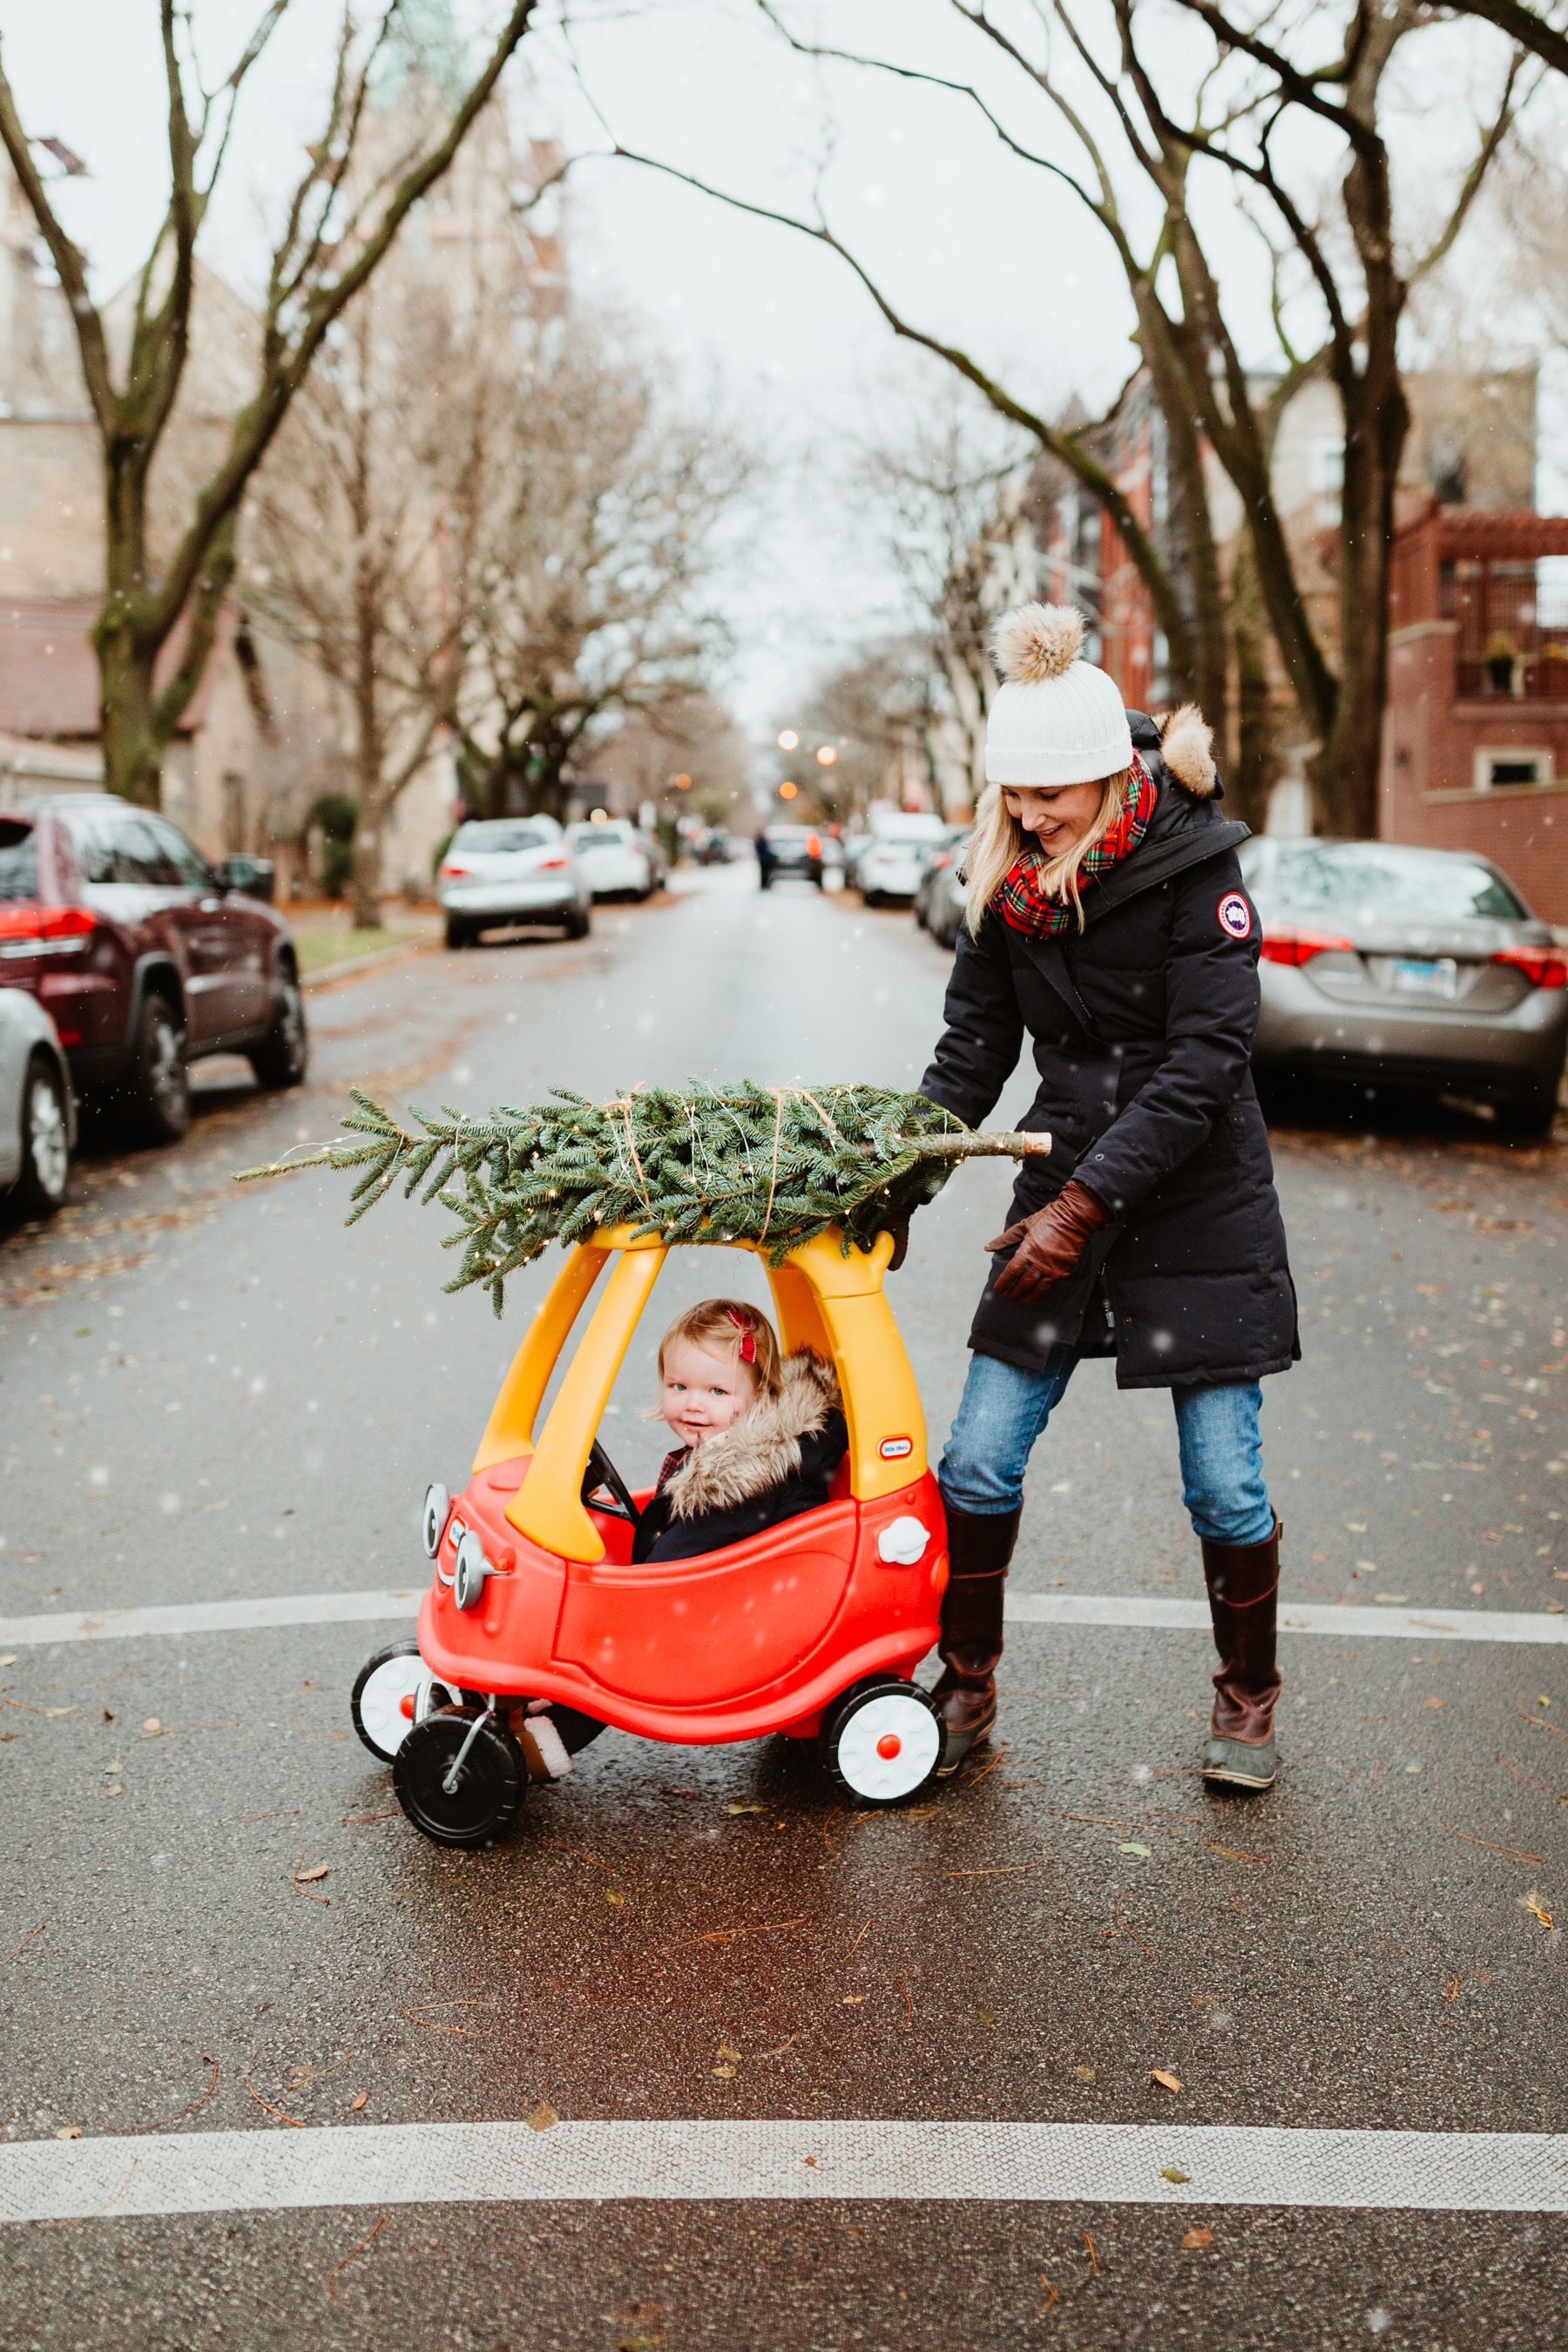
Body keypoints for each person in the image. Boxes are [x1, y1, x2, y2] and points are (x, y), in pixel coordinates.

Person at [912, 601, 1298, 1792]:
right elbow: (972, 1049)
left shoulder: (1197, 868)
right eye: (1014, 797)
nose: (1030, 818)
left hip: (1192, 1196)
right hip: (1063, 1176)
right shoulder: (1009, 880)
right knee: (976, 1460)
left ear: (1108, 771)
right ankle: (965, 1683)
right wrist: (899, 1177)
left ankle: (1246, 1703)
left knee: (1224, 1480)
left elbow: (1205, 1065)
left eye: (1051, 797)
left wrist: (1081, 1209)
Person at [629, 1299, 848, 1564]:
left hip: (766, 1591)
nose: (693, 1405)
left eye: (718, 1391)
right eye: (679, 1386)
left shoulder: (736, 1485)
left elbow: (665, 1568)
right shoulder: (722, 1446)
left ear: (760, 1395)